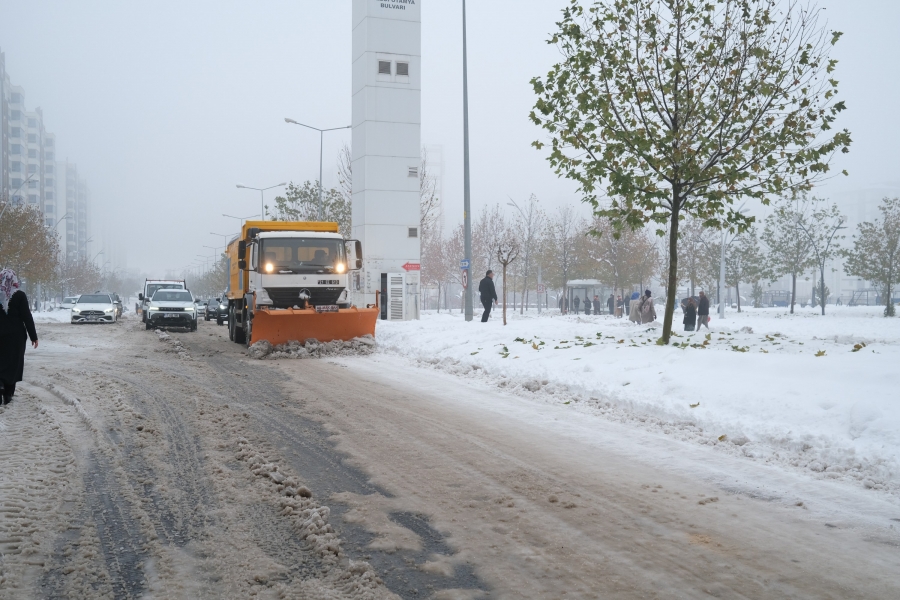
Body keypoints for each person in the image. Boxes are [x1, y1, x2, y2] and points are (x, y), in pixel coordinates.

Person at [0, 269, 38, 405]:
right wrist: (33, 336)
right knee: (14, 362)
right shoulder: (20, 295)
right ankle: (8, 392)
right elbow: (26, 316)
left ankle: (0, 384)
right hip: (16, 336)